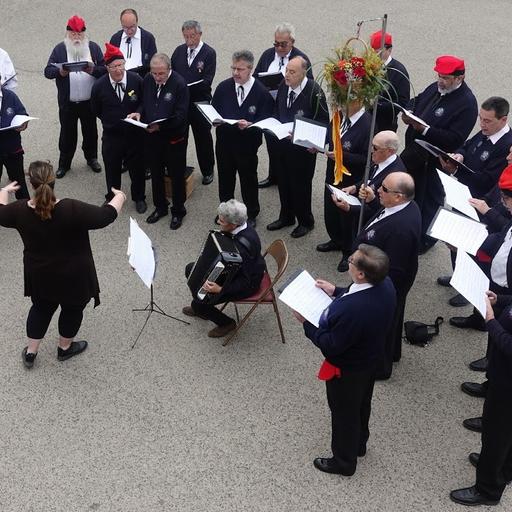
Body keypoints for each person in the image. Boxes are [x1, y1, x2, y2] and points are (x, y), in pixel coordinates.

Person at [0, 161, 126, 368]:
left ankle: (31, 352)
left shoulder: (19, 210)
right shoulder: (71, 208)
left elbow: (1, 210)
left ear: (31, 185)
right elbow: (106, 216)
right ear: (53, 182)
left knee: (40, 308)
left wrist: (4, 191)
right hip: (74, 276)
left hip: (40, 274)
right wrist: (119, 196)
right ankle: (64, 348)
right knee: (72, 309)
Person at [293, 244, 396, 476]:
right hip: (369, 359)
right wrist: (336, 290)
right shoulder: (385, 284)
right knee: (362, 404)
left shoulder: (355, 309)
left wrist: (307, 324)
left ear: (361, 273)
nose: (348, 261)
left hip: (348, 368)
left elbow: (331, 345)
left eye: (352, 260)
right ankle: (359, 443)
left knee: (343, 413)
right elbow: (352, 293)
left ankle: (343, 461)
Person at [437, 97, 512, 306]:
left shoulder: (506, 146)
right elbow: (467, 145)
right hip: (464, 198)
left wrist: (456, 169)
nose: (482, 124)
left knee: (475, 251)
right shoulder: (486, 132)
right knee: (456, 244)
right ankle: (458, 276)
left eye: (487, 120)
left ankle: (470, 288)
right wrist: (459, 156)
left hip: (480, 206)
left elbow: (487, 180)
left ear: (503, 120)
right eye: (481, 118)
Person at [400, 55, 477, 252]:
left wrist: (424, 129)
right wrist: (408, 110)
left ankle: (426, 239)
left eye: (445, 78)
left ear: (459, 78)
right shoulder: (437, 88)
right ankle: (410, 230)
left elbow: (455, 139)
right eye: (439, 76)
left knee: (430, 199)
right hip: (415, 151)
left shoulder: (467, 103)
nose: (440, 81)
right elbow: (417, 100)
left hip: (435, 161)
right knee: (412, 193)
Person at [353, 172, 421, 379]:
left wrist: (371, 288)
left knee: (382, 324)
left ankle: (380, 368)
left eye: (384, 189)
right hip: (392, 281)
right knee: (393, 319)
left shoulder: (400, 229)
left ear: (400, 196)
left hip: (386, 284)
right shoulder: (405, 206)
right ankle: (393, 353)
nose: (378, 191)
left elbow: (395, 269)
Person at [450, 293, 512, 507]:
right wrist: (501, 300)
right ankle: (501, 470)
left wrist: (491, 321)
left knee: (496, 435)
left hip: (507, 386)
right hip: (503, 377)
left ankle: (488, 489)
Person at [322, 131, 406, 272]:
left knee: (358, 236)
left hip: (370, 215)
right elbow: (369, 179)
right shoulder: (380, 161)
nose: (371, 150)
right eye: (371, 146)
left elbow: (381, 209)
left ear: (390, 151)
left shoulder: (395, 175)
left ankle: (351, 255)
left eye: (375, 147)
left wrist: (350, 208)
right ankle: (343, 246)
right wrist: (354, 187)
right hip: (363, 204)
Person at [183, 199, 266, 338]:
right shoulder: (241, 226)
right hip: (234, 271)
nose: (218, 223)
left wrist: (221, 289)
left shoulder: (244, 248)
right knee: (190, 269)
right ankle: (200, 305)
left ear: (234, 225)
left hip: (246, 283)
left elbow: (246, 281)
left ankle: (226, 323)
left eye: (222, 222)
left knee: (201, 301)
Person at [267, 56, 329, 238]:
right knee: (284, 182)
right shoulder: (283, 85)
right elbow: (277, 110)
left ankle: (305, 221)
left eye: (292, 72)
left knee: (300, 186)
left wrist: (315, 144)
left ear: (304, 73)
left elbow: (324, 122)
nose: (287, 75)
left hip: (303, 150)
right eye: (287, 70)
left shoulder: (314, 92)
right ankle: (286, 216)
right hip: (282, 144)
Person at [211, 50, 274, 226]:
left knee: (248, 180)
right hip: (224, 144)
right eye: (233, 68)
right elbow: (214, 111)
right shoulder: (223, 88)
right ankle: (225, 212)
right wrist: (214, 121)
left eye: (240, 69)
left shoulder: (261, 92)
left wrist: (251, 125)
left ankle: (251, 213)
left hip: (247, 146)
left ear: (250, 69)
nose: (236, 73)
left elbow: (267, 120)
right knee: (225, 179)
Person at [128, 53, 189, 229]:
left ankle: (178, 210)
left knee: (176, 175)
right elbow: (143, 101)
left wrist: (160, 127)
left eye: (161, 74)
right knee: (155, 173)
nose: (157, 77)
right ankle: (160, 206)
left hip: (173, 139)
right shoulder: (148, 79)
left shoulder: (179, 84)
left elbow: (180, 116)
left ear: (169, 69)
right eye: (154, 73)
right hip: (152, 137)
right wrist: (139, 112)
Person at [44, 15, 106, 178]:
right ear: (68, 33)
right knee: (67, 134)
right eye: (73, 34)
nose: (76, 38)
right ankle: (64, 163)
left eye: (79, 34)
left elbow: (105, 70)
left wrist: (92, 70)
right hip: (68, 103)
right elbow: (47, 71)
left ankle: (91, 158)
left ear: (84, 34)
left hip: (88, 102)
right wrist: (60, 72)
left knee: (91, 132)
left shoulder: (93, 48)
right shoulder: (59, 49)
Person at [253, 22, 313, 189]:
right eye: (276, 43)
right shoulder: (267, 55)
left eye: (283, 44)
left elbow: (310, 85)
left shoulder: (301, 59)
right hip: (270, 107)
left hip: (289, 108)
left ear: (292, 41)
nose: (278, 48)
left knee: (287, 146)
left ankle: (286, 177)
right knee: (272, 145)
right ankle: (274, 175)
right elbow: (256, 77)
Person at [90, 43, 146, 212]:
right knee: (112, 168)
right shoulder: (99, 86)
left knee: (137, 168)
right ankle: (113, 198)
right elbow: (96, 109)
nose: (118, 70)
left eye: (121, 64)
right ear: (107, 68)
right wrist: (110, 121)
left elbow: (144, 102)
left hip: (134, 134)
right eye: (114, 66)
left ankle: (139, 197)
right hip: (112, 136)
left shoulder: (136, 80)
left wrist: (138, 112)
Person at [316, 100, 372, 265]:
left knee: (347, 217)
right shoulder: (339, 115)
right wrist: (316, 145)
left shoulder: (367, 125)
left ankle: (348, 251)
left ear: (358, 102)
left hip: (350, 178)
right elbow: (330, 135)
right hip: (332, 173)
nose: (339, 106)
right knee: (331, 210)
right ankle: (336, 240)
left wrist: (342, 156)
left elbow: (367, 159)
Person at [171, 20, 216, 185]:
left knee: (203, 138)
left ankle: (208, 170)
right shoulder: (178, 51)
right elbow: (172, 74)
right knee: (179, 137)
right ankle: (179, 168)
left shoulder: (209, 53)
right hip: (182, 104)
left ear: (200, 34)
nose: (189, 40)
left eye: (192, 36)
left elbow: (207, 81)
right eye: (186, 36)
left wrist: (184, 88)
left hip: (200, 103)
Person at [368, 31, 410, 133]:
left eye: (378, 52)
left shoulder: (399, 71)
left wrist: (376, 105)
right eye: (372, 51)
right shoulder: (368, 65)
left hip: (384, 125)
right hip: (366, 121)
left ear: (389, 50)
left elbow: (402, 103)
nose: (374, 55)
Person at [0, 86, 31, 199]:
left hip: (13, 149)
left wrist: (23, 123)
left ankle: (25, 211)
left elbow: (22, 113)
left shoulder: (10, 96)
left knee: (19, 182)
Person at [109, 8, 157, 78]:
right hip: (120, 78)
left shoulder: (148, 38)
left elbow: (152, 63)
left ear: (137, 22)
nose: (129, 31)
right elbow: (110, 61)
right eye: (125, 27)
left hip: (141, 79)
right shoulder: (115, 38)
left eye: (132, 27)